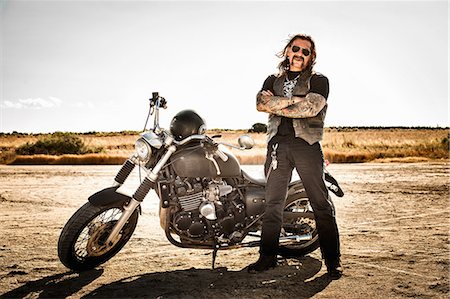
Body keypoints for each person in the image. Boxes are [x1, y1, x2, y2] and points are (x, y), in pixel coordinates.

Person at [247, 33, 343, 279]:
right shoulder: (272, 79)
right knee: (273, 204)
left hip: (307, 146)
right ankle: (267, 257)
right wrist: (294, 101)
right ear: (287, 51)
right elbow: (260, 104)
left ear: (311, 57)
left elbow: (311, 108)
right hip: (277, 147)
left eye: (306, 51)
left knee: (320, 203)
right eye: (296, 49)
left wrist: (279, 103)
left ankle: (333, 261)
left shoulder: (319, 80)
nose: (300, 54)